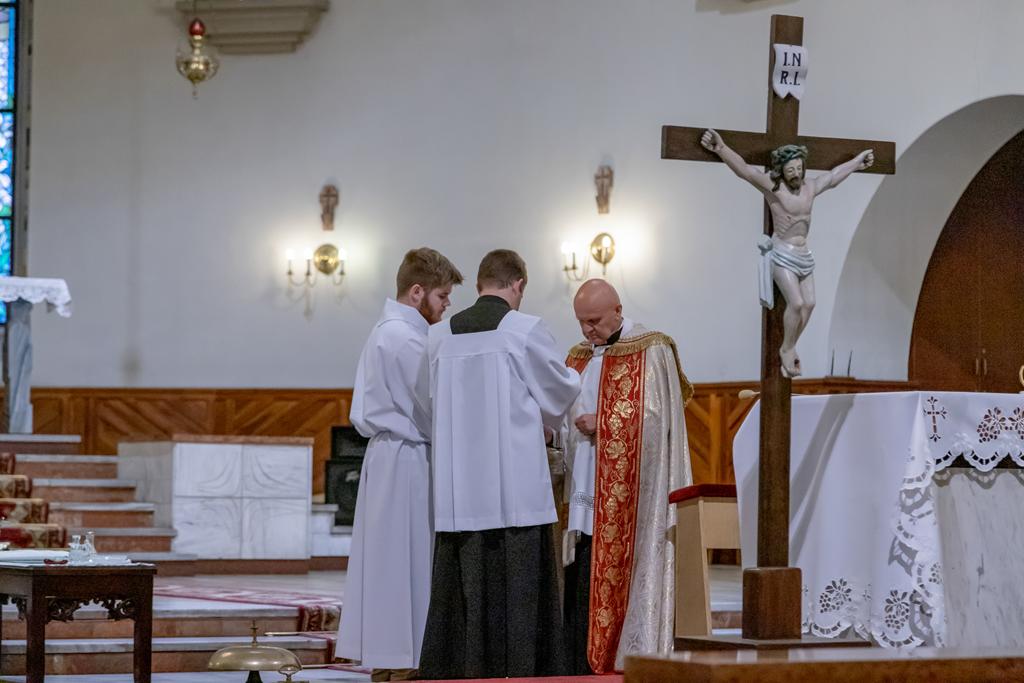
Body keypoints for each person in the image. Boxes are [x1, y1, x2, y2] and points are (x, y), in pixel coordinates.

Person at [417, 249, 581, 679]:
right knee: (519, 582)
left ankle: (460, 667)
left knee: (464, 583)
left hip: (460, 491)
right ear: (518, 284)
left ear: (478, 285)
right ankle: (523, 668)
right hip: (515, 492)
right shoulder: (523, 330)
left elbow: (427, 402)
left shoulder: (440, 335)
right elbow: (559, 392)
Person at [335, 247, 464, 682]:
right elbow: (432, 406)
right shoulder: (406, 339)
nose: (447, 305)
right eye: (442, 296)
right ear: (417, 292)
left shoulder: (386, 331)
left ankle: (390, 656)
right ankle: (406, 657)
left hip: (389, 456)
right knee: (409, 559)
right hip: (408, 458)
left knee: (390, 561)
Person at [560, 278, 694, 673]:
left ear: (617, 310)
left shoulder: (652, 349)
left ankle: (622, 648)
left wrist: (604, 423)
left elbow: (656, 419)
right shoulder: (577, 357)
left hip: (631, 495)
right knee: (582, 561)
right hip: (585, 482)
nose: (588, 330)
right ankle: (576, 655)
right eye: (581, 322)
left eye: (595, 321)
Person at [700, 128, 874, 377]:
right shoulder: (774, 187)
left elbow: (833, 177)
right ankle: (787, 348)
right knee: (797, 302)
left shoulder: (810, 187)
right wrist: (721, 148)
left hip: (804, 253)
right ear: (781, 170)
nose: (796, 173)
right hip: (782, 252)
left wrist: (857, 163)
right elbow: (746, 171)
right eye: (790, 169)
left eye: (799, 168)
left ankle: (790, 346)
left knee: (810, 303)